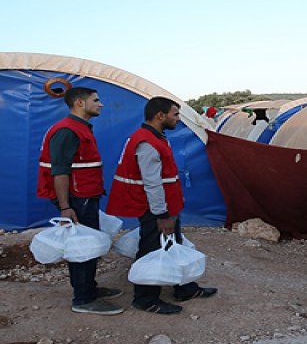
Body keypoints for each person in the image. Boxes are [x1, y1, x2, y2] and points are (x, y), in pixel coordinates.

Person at [106, 97, 217, 314]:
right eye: (175, 114)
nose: (178, 119)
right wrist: (162, 214)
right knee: (151, 249)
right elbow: (152, 183)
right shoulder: (147, 142)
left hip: (165, 207)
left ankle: (184, 288)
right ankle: (145, 298)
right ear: (160, 115)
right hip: (155, 209)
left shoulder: (155, 137)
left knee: (173, 244)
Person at [36, 87, 124, 315]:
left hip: (86, 196)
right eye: (96, 100)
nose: (101, 104)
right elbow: (60, 172)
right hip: (77, 199)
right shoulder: (67, 131)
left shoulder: (79, 128)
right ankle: (83, 299)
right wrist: (65, 207)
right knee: (82, 246)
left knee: (88, 243)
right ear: (79, 103)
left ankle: (89, 289)